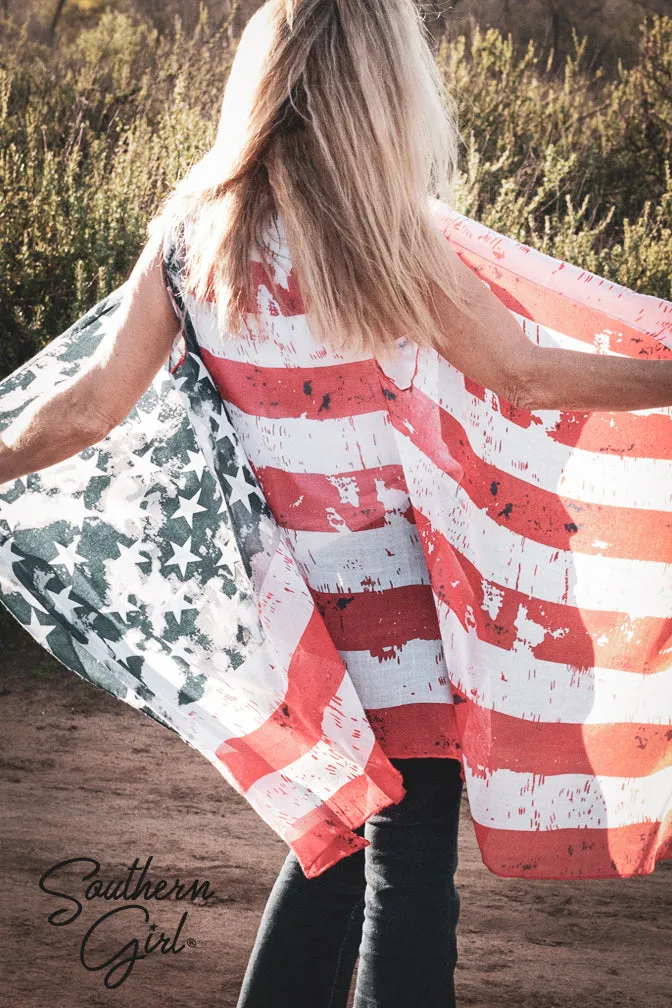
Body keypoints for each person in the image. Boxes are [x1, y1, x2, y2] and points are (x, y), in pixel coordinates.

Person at [1, 3, 672, 1006]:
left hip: (298, 621)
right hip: (411, 615)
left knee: (343, 846)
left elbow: (93, 405)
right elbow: (527, 374)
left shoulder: (195, 237)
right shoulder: (388, 240)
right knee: (407, 876)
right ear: (385, 87)